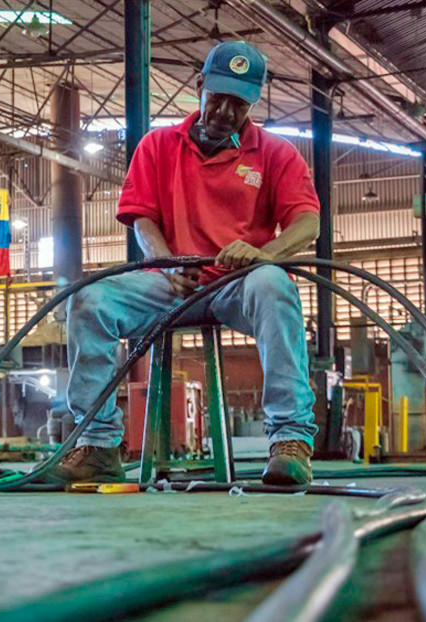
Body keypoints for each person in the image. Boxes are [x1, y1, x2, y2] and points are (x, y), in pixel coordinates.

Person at [49, 40, 321, 486]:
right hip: (172, 284)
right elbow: (142, 219)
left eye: (239, 103)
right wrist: (167, 263)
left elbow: (308, 223)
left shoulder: (275, 154)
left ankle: (290, 440)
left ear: (252, 102)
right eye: (218, 98)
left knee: (274, 285)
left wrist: (264, 255)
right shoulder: (158, 146)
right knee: (89, 300)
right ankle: (96, 444)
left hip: (239, 282)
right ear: (200, 87)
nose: (226, 112)